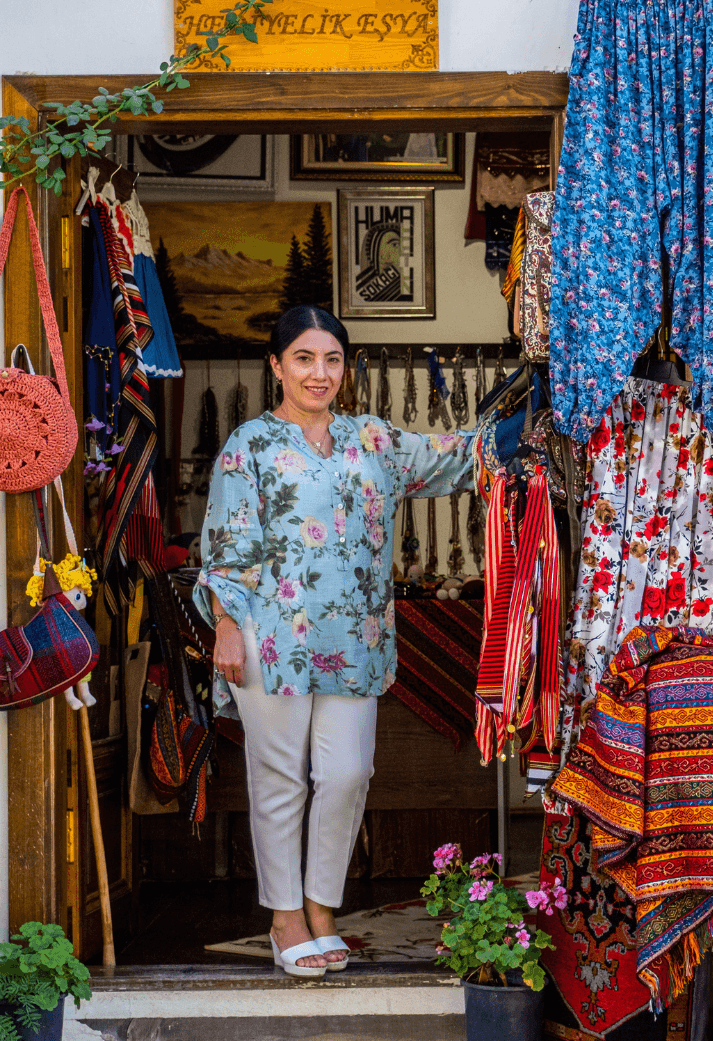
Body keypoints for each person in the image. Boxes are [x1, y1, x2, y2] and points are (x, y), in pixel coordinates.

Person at [194, 306, 475, 977]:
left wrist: (532, 417)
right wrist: (226, 624)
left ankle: (323, 906)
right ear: (276, 366)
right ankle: (286, 918)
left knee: (348, 775)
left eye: (332, 360)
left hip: (357, 638)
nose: (319, 373)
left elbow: (455, 461)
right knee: (280, 778)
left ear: (345, 368)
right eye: (304, 358)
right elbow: (226, 542)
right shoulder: (249, 446)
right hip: (270, 636)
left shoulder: (371, 439)